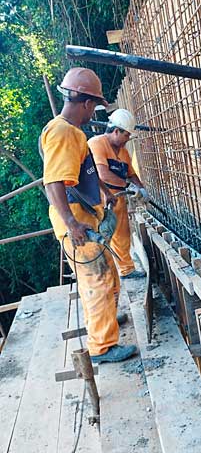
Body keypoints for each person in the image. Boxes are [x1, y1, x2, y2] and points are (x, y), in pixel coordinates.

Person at [40, 67, 137, 364]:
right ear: (84, 102)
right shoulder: (63, 132)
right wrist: (72, 223)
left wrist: (105, 195)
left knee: (105, 275)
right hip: (77, 222)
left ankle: (106, 322)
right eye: (94, 104)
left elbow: (83, 176)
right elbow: (54, 181)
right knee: (99, 279)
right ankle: (102, 347)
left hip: (83, 215)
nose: (93, 110)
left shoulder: (70, 132)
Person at [88, 108, 149, 279]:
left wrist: (141, 187)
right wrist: (129, 186)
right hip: (100, 197)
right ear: (116, 131)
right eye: (126, 135)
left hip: (118, 198)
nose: (128, 139)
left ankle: (126, 270)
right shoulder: (97, 144)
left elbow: (131, 173)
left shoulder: (122, 151)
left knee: (122, 235)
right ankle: (102, 275)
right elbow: (103, 174)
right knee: (102, 235)